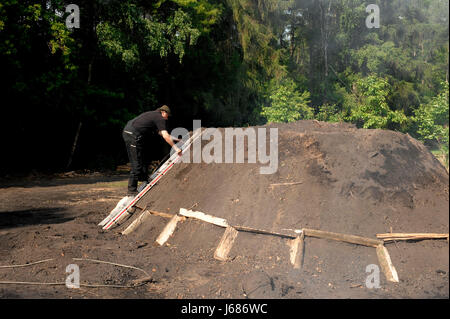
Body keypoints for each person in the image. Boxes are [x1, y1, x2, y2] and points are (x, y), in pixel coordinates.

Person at [122, 105, 181, 196]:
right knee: (136, 163)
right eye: (167, 115)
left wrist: (175, 139)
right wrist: (176, 148)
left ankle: (144, 178)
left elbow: (161, 133)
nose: (167, 118)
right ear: (163, 112)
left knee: (144, 156)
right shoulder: (159, 117)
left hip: (131, 133)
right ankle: (131, 190)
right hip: (132, 135)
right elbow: (165, 136)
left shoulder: (153, 115)